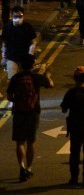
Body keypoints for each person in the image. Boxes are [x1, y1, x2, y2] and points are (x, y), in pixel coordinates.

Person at [7, 53, 53, 181]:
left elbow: (9, 97)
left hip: (19, 112)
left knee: (20, 142)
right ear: (33, 65)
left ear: (21, 65)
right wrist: (48, 75)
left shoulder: (16, 78)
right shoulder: (36, 77)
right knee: (30, 142)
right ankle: (29, 168)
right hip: (33, 112)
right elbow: (51, 84)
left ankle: (21, 166)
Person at [1, 4, 37, 77]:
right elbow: (4, 43)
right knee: (12, 79)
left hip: (25, 59)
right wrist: (4, 57)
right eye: (15, 16)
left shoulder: (28, 27)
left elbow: (33, 42)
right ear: (11, 16)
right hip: (12, 57)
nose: (18, 18)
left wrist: (30, 56)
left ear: (23, 16)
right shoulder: (7, 27)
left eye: (20, 16)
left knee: (24, 80)